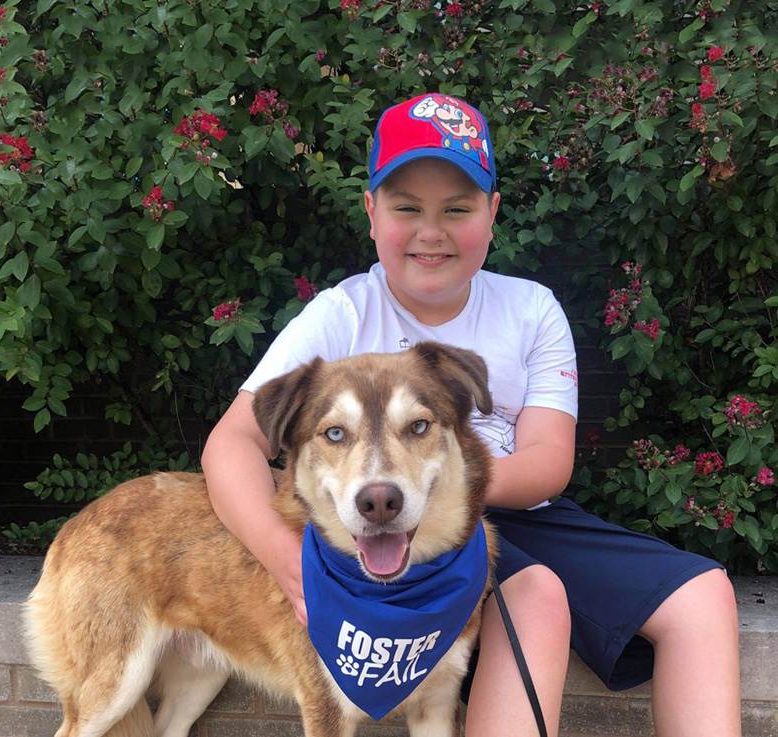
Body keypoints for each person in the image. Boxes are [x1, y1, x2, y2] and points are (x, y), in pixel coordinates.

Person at [201, 93, 741, 737]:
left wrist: (447, 486)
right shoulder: (339, 314)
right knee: (536, 598)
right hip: (386, 521)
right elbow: (229, 442)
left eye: (457, 209)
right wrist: (289, 562)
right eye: (407, 208)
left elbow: (546, 462)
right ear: (372, 214)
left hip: (510, 506)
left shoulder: (531, 309)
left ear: (492, 213)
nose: (432, 231)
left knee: (703, 595)